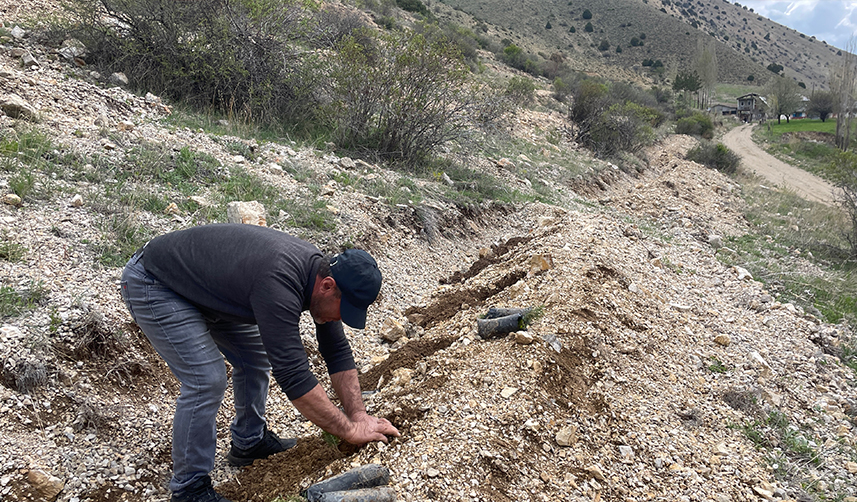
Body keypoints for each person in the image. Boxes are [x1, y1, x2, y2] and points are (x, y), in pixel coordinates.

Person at [119, 223, 400, 502]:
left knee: (254, 358)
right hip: (157, 282)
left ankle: (248, 442)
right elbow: (294, 377)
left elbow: (336, 350)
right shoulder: (279, 282)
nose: (341, 319)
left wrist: (360, 415)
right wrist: (349, 430)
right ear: (327, 286)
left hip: (210, 291)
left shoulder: (321, 278)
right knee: (207, 379)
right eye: (344, 310)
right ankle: (189, 487)